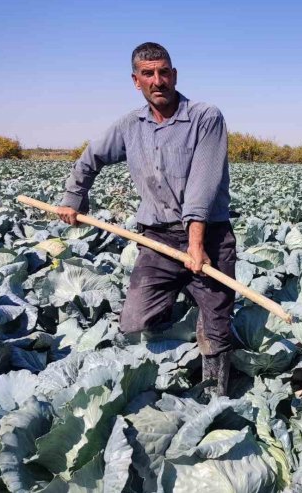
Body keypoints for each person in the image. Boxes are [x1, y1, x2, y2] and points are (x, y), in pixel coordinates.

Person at [57, 42, 235, 396]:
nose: (158, 80)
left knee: (217, 325)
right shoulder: (129, 125)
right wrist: (73, 198)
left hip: (209, 236)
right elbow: (91, 158)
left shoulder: (205, 117)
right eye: (149, 74)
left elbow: (202, 187)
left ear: (174, 75)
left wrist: (196, 245)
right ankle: (160, 374)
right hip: (157, 239)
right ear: (136, 81)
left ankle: (214, 397)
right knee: (136, 319)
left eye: (164, 72)